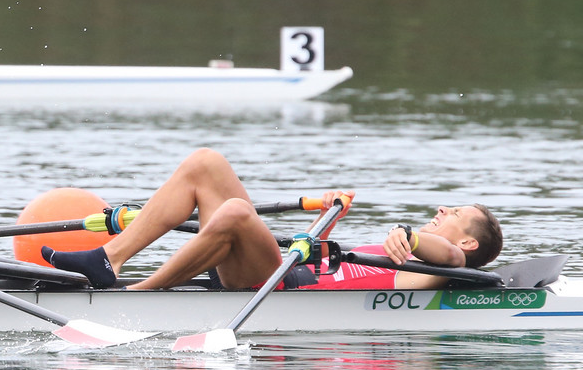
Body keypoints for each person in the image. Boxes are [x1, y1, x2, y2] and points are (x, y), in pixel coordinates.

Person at [42, 148, 503, 291]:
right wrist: (328, 220)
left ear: (466, 244)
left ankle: (138, 297)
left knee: (237, 212)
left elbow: (441, 254)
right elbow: (340, 267)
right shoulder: (402, 252)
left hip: (279, 285)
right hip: (279, 269)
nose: (443, 210)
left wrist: (409, 235)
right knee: (206, 164)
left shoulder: (442, 267)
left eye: (455, 214)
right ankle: (109, 259)